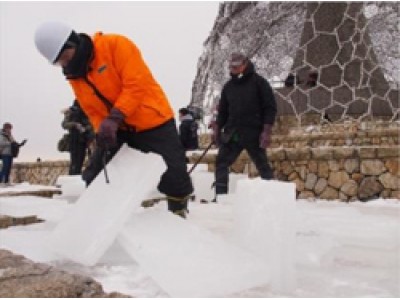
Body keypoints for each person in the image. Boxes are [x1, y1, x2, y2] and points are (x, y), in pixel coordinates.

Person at [34, 21, 193, 217]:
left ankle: (178, 213)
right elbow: (92, 109)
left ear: (72, 43)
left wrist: (115, 117)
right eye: (59, 62)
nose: (65, 64)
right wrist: (103, 129)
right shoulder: (75, 76)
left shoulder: (116, 45)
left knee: (174, 175)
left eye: (65, 57)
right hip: (118, 128)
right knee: (96, 172)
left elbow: (136, 84)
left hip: (152, 121)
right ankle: (101, 221)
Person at [212, 52, 277, 201]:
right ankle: (220, 197)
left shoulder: (259, 83)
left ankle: (271, 198)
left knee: (262, 165)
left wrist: (267, 130)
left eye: (237, 66)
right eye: (231, 66)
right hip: (232, 133)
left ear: (245, 64)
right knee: (221, 162)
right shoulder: (228, 87)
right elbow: (223, 111)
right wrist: (217, 128)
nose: (233, 69)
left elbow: (270, 107)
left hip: (254, 132)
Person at [62, 100, 94, 175]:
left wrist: (85, 128)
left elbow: (91, 124)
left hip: (83, 140)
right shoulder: (71, 112)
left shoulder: (86, 111)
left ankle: (75, 176)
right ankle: (73, 177)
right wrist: (75, 125)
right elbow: (64, 124)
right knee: (75, 162)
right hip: (74, 140)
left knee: (79, 161)